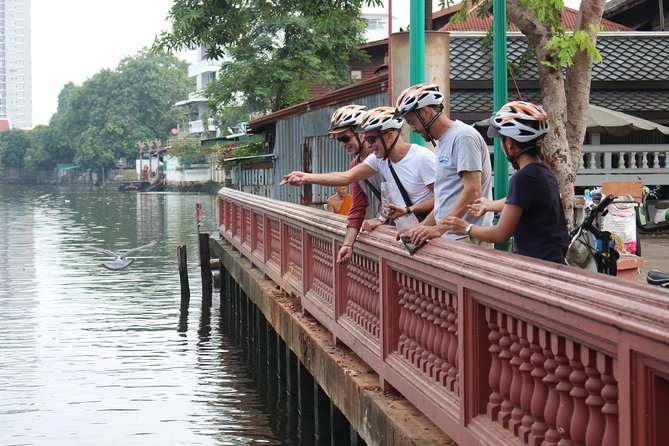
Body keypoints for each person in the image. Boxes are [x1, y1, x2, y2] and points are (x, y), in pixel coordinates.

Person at [281, 106, 436, 256]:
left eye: (371, 139)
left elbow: (446, 199)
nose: (369, 145)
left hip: (430, 234)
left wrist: (393, 217)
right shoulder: (378, 160)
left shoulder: (420, 158)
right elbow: (345, 178)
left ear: (388, 136)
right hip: (406, 234)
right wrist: (306, 177)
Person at [440, 101, 569, 264]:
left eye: (501, 140)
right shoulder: (542, 172)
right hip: (554, 262)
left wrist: (465, 227)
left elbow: (500, 234)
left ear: (509, 143)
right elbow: (518, 202)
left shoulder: (523, 178)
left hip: (540, 268)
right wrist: (489, 205)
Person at [393, 83, 493, 247]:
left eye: (411, 122)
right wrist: (422, 227)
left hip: (467, 239)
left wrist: (438, 229)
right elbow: (445, 200)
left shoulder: (463, 137)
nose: (412, 130)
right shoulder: (446, 140)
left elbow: (473, 191)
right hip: (453, 239)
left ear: (426, 112)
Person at [326, 104, 385, 263]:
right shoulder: (355, 164)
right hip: (390, 229)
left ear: (362, 133)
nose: (342, 144)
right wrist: (348, 244)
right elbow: (358, 207)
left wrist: (381, 218)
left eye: (345, 138)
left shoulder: (382, 157)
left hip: (407, 226)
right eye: (339, 139)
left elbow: (399, 194)